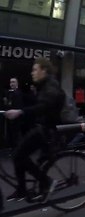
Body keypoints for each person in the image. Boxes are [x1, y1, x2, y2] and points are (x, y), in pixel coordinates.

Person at [4, 58, 64, 202]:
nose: (32, 73)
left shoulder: (50, 87)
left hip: (47, 131)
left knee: (18, 155)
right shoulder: (44, 85)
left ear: (44, 70)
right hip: (43, 128)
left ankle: (46, 182)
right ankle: (22, 189)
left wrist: (20, 112)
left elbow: (43, 107)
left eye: (35, 69)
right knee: (18, 153)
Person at [4, 78, 24, 149]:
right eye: (11, 82)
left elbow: (19, 105)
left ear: (17, 83)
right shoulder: (9, 93)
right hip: (10, 116)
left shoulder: (18, 92)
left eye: (13, 82)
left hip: (17, 116)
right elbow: (7, 103)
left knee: (16, 133)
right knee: (10, 132)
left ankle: (17, 148)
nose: (12, 83)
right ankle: (12, 147)